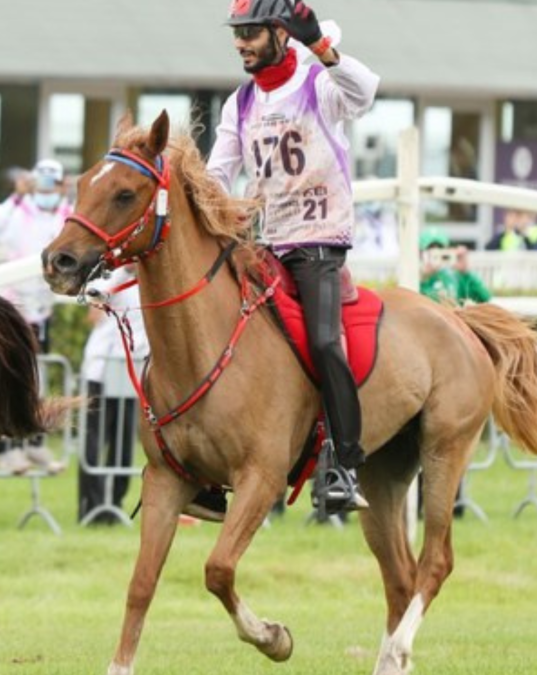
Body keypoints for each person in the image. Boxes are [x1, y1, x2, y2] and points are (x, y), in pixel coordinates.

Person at [205, 0, 379, 516]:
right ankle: (205, 468)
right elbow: (219, 173)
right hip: (265, 244)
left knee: (325, 341)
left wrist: (321, 47)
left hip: (320, 241)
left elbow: (365, 91)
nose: (240, 43)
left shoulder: (318, 83)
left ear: (281, 35)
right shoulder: (239, 102)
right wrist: (213, 206)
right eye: (237, 33)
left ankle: (344, 465)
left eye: (251, 33)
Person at [0, 158, 72, 474]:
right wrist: (17, 196)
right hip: (14, 305)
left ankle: (33, 442)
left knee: (38, 376)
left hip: (42, 306)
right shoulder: (18, 210)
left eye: (52, 184)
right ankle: (4, 447)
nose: (46, 190)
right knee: (9, 375)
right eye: (41, 184)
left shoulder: (66, 214)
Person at [78, 266, 149, 525]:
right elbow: (93, 297)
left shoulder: (150, 284)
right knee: (93, 444)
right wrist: (124, 270)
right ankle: (91, 506)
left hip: (130, 373)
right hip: (100, 371)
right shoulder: (113, 278)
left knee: (123, 446)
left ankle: (114, 504)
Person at [418, 228, 491, 305]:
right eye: (430, 249)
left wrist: (466, 273)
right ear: (420, 253)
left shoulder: (454, 275)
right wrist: (424, 279)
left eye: (440, 248)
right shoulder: (414, 276)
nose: (436, 252)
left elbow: (484, 298)